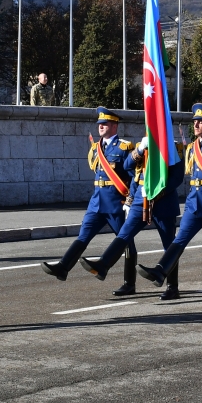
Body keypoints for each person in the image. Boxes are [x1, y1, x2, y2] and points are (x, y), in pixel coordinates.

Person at [138, 103, 202, 304]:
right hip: (194, 204)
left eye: (201, 122)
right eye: (195, 122)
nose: (196, 125)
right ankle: (160, 272)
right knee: (179, 240)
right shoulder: (191, 148)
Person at [78, 137, 185, 299]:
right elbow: (129, 166)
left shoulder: (173, 146)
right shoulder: (144, 144)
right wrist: (141, 149)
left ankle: (172, 286)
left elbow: (176, 178)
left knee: (168, 245)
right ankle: (103, 264)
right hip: (140, 200)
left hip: (163, 202)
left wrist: (156, 193)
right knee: (124, 234)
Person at [41, 108, 135, 281]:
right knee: (83, 236)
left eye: (105, 123)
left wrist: (131, 200)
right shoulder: (96, 148)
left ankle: (129, 283)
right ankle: (63, 267)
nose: (101, 126)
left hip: (116, 203)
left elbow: (134, 177)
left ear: (114, 125)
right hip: (97, 202)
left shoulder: (124, 148)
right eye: (99, 123)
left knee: (126, 243)